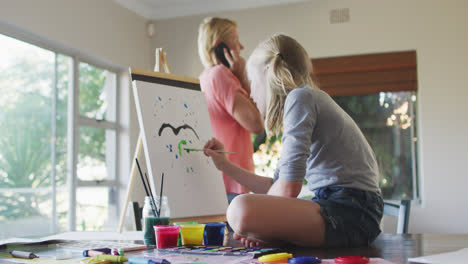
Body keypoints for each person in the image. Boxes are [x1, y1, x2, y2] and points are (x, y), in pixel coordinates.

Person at [203, 34, 383, 248]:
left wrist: (260, 219)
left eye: (251, 82)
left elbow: (288, 189)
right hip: (348, 208)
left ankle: (269, 235)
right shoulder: (303, 100)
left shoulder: (300, 98)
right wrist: (225, 166)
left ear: (268, 72)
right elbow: (276, 185)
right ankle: (271, 236)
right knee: (242, 209)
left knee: (238, 208)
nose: (251, 94)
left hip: (351, 210)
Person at [198, 17, 264, 203]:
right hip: (233, 184)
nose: (240, 46)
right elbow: (257, 125)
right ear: (221, 46)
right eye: (235, 39)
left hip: (222, 182)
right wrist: (243, 78)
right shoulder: (221, 75)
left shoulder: (204, 77)